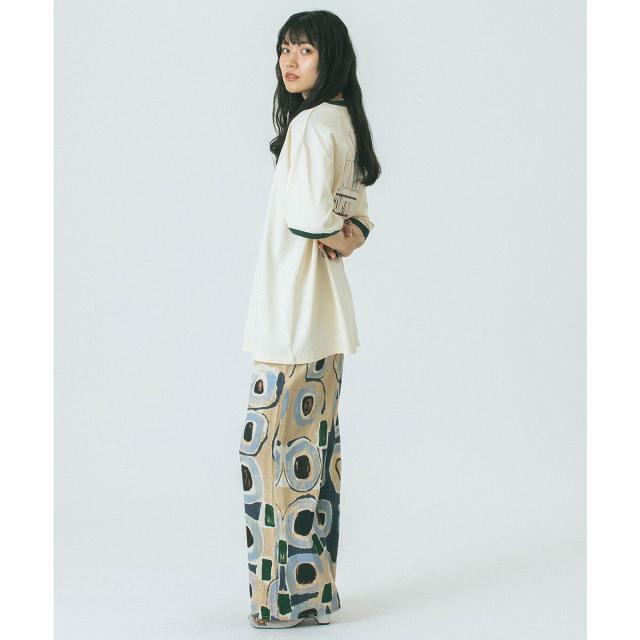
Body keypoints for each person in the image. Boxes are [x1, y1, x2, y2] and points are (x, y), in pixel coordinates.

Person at [238, 9, 381, 629]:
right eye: (284, 50)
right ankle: (315, 594)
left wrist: (329, 231)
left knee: (268, 456)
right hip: (325, 318)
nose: (289, 62)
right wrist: (343, 236)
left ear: (331, 57)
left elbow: (308, 217)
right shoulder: (344, 121)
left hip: (293, 317)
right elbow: (358, 219)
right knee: (313, 457)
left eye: (304, 51)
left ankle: (280, 601)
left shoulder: (311, 125)